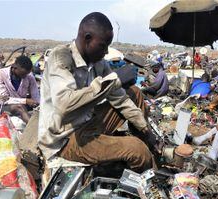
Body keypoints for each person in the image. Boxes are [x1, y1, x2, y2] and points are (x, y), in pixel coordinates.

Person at [38, 12, 158, 173]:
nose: (106, 51)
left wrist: (145, 129)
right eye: (103, 45)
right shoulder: (61, 57)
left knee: (134, 92)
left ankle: (148, 147)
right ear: (87, 38)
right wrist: (115, 80)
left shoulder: (99, 64)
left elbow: (120, 99)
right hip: (65, 138)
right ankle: (135, 177)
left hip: (89, 123)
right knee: (138, 151)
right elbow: (63, 105)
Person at [0, 55, 39, 123]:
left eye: (26, 74)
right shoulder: (0, 74)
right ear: (14, 68)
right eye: (23, 74)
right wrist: (25, 101)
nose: (25, 76)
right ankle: (33, 129)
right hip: (4, 106)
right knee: (19, 107)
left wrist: (37, 104)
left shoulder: (29, 75)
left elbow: (35, 94)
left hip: (22, 105)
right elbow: (4, 99)